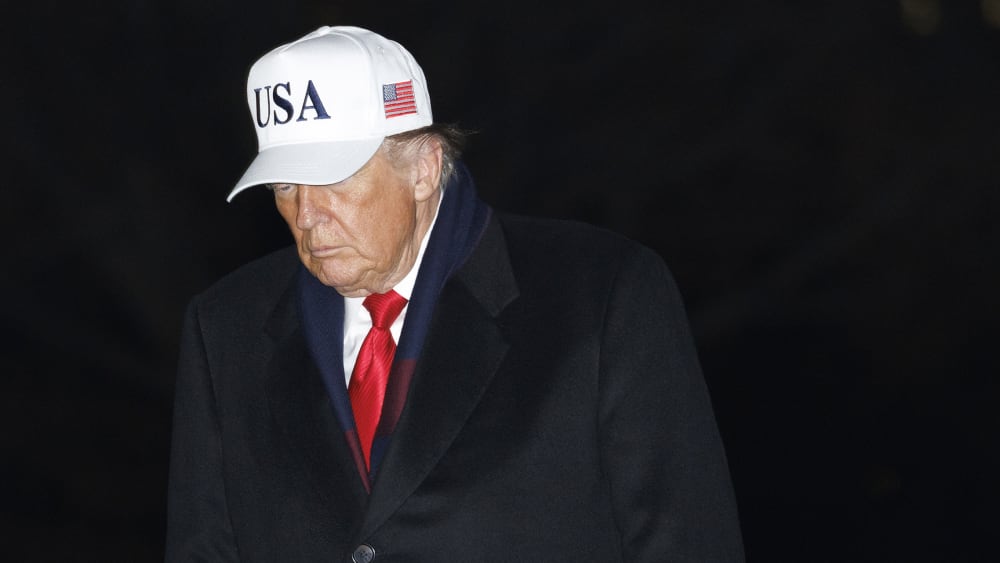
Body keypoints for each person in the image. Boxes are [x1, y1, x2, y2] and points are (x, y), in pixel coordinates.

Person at [166, 25, 744, 562]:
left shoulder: (601, 296)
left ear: (423, 166)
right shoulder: (225, 327)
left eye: (334, 176)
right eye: (285, 184)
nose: (306, 215)